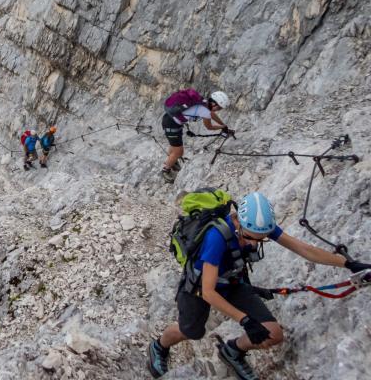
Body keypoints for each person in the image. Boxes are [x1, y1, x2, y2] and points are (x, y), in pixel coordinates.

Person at [147, 192, 371, 379]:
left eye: (260, 239)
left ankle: (233, 350)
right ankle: (159, 346)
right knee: (191, 331)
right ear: (239, 224)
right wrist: (244, 320)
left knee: (273, 334)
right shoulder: (216, 238)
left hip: (233, 282)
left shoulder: (260, 227)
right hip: (199, 287)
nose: (254, 243)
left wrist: (349, 264)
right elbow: (208, 292)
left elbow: (305, 250)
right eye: (250, 237)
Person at [161, 89, 231, 183]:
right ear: (214, 104)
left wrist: (223, 124)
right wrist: (222, 127)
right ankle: (166, 170)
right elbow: (209, 127)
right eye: (219, 108)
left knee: (174, 147)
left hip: (170, 120)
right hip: (172, 125)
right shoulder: (205, 110)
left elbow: (211, 114)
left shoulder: (204, 103)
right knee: (179, 152)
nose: (219, 110)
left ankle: (172, 161)